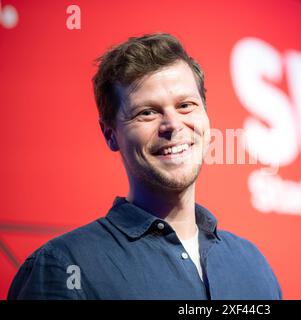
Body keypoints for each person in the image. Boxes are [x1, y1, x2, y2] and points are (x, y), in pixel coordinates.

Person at [7, 33, 282, 300]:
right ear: (110, 134)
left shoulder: (253, 265)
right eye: (147, 112)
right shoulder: (62, 266)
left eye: (185, 105)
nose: (172, 125)